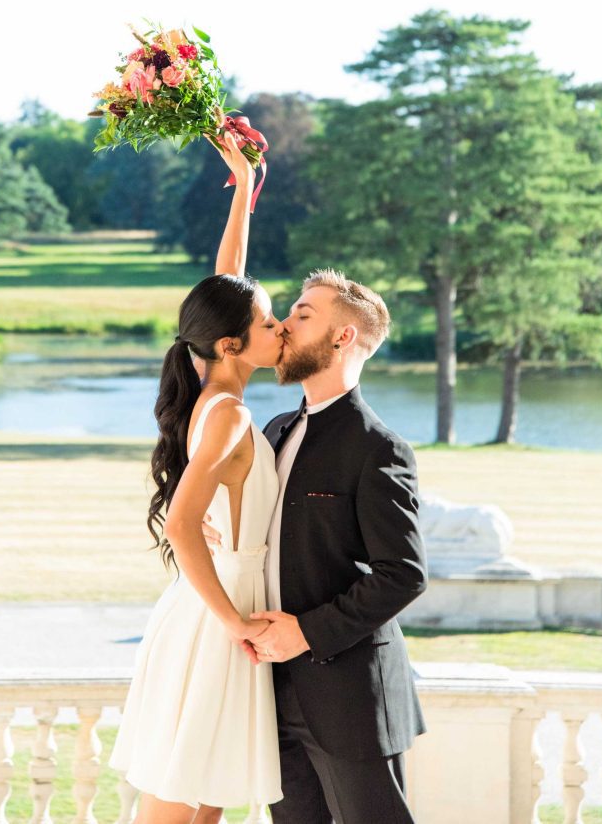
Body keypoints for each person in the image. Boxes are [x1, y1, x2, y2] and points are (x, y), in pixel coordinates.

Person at [204, 272, 429, 824]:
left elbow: (403, 574)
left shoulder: (379, 448)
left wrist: (304, 632)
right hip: (270, 690)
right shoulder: (273, 430)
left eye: (304, 315)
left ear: (343, 337)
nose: (284, 323)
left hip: (349, 696)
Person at [109, 133, 284, 824]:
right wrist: (234, 622)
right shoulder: (229, 416)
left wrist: (244, 192)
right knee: (178, 812)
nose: (280, 330)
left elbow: (228, 287)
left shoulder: (214, 380)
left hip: (221, 612)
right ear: (232, 345)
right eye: (270, 323)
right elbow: (182, 525)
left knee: (208, 811)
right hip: (217, 618)